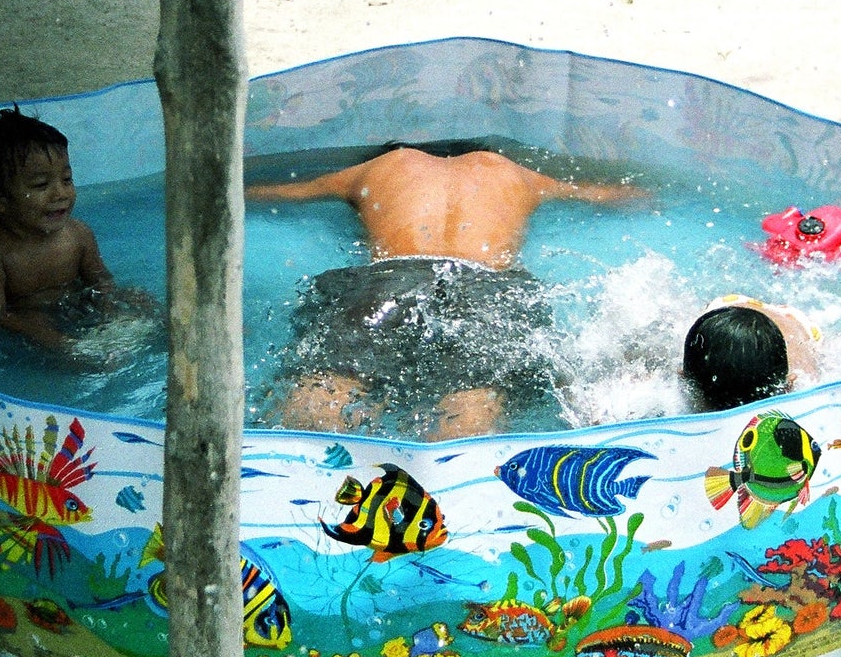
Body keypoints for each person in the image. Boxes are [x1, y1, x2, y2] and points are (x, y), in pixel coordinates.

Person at [248, 143, 647, 440]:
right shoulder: (511, 171)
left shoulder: (386, 164)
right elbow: (612, 195)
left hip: (387, 279)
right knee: (469, 412)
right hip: (487, 286)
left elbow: (282, 193)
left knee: (321, 402)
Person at [0, 108, 132, 363]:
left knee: (138, 299)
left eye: (67, 179)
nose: (60, 194)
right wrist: (43, 335)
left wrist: (110, 314)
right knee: (35, 322)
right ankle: (75, 355)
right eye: (41, 185)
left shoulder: (78, 235)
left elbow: (100, 281)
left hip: (77, 305)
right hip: (30, 315)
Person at [682, 295, 822, 411]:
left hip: (794, 322)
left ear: (787, 387)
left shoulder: (804, 382)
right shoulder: (686, 383)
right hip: (727, 306)